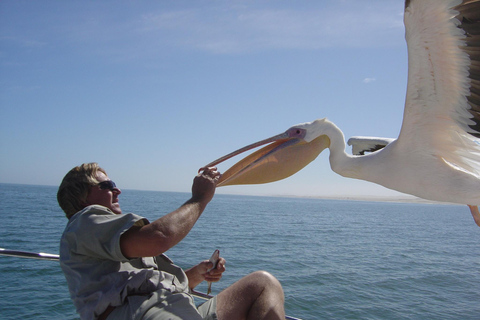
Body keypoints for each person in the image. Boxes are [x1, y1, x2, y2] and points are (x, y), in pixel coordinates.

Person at [57, 163, 285, 320]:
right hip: (145, 313)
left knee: (263, 284)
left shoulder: (110, 236)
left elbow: (146, 280)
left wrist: (198, 273)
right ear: (82, 198)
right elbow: (159, 237)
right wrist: (200, 198)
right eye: (107, 185)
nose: (117, 189)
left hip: (176, 306)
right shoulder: (83, 222)